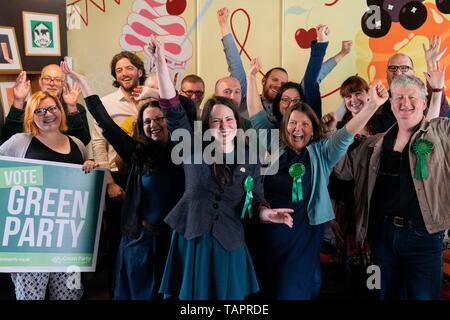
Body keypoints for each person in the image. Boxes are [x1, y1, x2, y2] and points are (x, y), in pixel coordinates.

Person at [147, 35, 294, 300]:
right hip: (193, 240)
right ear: (207, 125)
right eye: (216, 121)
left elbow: (257, 199)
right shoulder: (191, 145)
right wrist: (160, 62)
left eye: (229, 120)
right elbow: (171, 106)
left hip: (230, 241)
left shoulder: (251, 157)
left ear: (237, 123)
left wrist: (267, 215)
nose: (224, 126)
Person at [246, 57, 389, 300]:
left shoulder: (322, 151)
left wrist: (372, 105)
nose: (297, 128)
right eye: (292, 123)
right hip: (269, 231)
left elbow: (347, 133)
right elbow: (255, 113)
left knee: (292, 291)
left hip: (304, 232)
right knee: (264, 289)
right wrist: (250, 77)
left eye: (304, 124)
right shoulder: (270, 141)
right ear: (285, 126)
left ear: (313, 129)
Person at [61, 61, 185, 300]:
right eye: (147, 121)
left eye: (159, 119)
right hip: (142, 240)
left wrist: (158, 72)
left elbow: (180, 107)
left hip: (175, 241)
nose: (153, 125)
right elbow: (104, 121)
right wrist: (82, 81)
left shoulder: (183, 150)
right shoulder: (136, 153)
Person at [334, 67, 447, 299]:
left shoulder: (442, 132)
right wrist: (370, 106)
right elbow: (342, 170)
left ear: (424, 103)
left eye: (412, 97)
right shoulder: (373, 144)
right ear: (391, 103)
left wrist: (438, 90)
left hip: (424, 238)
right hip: (382, 237)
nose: (405, 103)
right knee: (382, 295)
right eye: (399, 98)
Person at [0, 90, 97, 300]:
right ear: (31, 116)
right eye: (40, 110)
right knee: (29, 297)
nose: (47, 114)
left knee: (70, 296)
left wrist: (90, 168)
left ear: (60, 111)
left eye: (52, 108)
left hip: (69, 242)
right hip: (30, 243)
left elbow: (86, 189)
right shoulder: (19, 142)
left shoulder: (77, 145)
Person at [217, 7, 351, 121]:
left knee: (309, 83)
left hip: (284, 150)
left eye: (283, 84)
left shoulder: (292, 109)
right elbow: (235, 63)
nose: (278, 85)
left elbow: (314, 77)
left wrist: (342, 53)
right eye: (274, 79)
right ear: (264, 80)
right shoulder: (246, 100)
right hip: (246, 150)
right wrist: (223, 25)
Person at [91, 51, 146, 294]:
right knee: (117, 237)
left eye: (129, 68)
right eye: (119, 70)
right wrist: (110, 183)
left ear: (139, 71)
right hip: (119, 178)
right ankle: (117, 289)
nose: (124, 73)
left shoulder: (151, 99)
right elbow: (98, 146)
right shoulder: (106, 104)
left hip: (148, 177)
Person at [2, 65, 91, 145]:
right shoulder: (26, 107)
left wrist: (72, 107)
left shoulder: (76, 108)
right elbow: (8, 140)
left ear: (63, 84)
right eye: (47, 78)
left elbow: (82, 141)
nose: (52, 83)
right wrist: (18, 101)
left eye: (57, 80)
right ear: (40, 82)